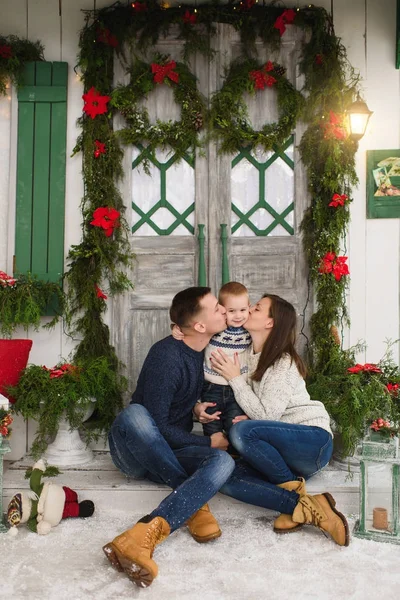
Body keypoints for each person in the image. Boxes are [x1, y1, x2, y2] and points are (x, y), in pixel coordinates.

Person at [103, 287, 236, 588]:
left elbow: (176, 399)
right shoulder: (166, 355)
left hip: (167, 454)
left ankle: (142, 535)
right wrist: (207, 441)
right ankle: (194, 505)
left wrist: (195, 408)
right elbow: (157, 426)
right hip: (136, 453)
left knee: (223, 460)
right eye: (217, 308)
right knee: (136, 414)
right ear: (200, 326)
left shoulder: (199, 351)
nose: (224, 311)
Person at [207, 293, 349, 544]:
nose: (249, 309)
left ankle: (296, 501)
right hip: (282, 456)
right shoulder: (249, 354)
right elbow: (260, 409)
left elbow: (267, 414)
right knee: (222, 473)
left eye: (257, 308)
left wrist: (235, 380)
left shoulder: (283, 361)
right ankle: (301, 506)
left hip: (312, 441)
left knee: (242, 433)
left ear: (270, 323)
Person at [173, 281, 251, 439]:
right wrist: (177, 328)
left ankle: (235, 454)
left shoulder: (249, 328)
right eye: (231, 311)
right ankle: (216, 447)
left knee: (234, 424)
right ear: (223, 310)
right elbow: (195, 330)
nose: (238, 316)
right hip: (211, 387)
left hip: (237, 388)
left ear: (249, 307)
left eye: (243, 310)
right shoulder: (217, 327)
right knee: (211, 424)